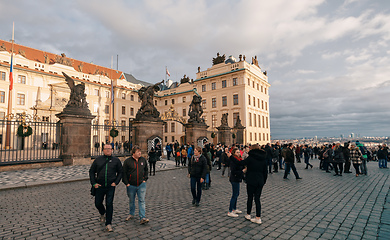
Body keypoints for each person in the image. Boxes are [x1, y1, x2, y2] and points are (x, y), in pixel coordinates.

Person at [230, 144, 267, 224]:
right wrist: (263, 181)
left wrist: (230, 156)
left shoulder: (250, 158)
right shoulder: (263, 158)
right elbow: (265, 172)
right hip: (260, 181)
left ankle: (248, 214)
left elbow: (239, 163)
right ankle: (258, 217)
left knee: (250, 198)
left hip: (251, 180)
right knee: (257, 199)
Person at [89, 144, 123, 232]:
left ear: (112, 150)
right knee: (97, 203)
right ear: (103, 150)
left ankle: (108, 223)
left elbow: (120, 172)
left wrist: (116, 182)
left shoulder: (116, 160)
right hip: (100, 186)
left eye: (110, 149)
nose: (108, 150)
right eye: (106, 149)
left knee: (109, 203)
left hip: (110, 186)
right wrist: (94, 183)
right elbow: (91, 172)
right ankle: (102, 212)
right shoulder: (98, 160)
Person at [123, 146, 150, 224]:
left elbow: (146, 170)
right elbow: (124, 173)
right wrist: (127, 183)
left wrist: (145, 179)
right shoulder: (127, 161)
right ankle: (131, 214)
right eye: (138, 152)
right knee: (131, 200)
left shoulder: (143, 160)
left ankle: (142, 217)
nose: (140, 153)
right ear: (133, 153)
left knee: (142, 200)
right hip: (131, 185)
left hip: (141, 184)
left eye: (140, 151)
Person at [227, 147, 245, 217]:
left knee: (236, 194)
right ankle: (230, 210)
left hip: (237, 178)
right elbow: (234, 171)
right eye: (237, 152)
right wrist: (242, 171)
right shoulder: (233, 161)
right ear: (234, 153)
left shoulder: (239, 159)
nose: (239, 153)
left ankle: (234, 208)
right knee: (234, 195)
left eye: (239, 152)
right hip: (234, 178)